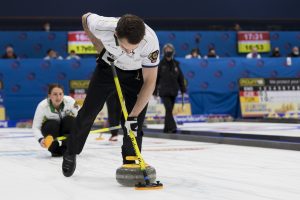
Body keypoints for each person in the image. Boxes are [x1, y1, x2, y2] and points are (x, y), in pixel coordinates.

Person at [62, 12, 160, 177]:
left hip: (136, 74)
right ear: (115, 34)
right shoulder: (103, 25)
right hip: (109, 66)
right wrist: (100, 49)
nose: (129, 52)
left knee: (135, 121)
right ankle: (71, 151)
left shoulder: (150, 42)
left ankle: (130, 161)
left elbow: (150, 81)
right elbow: (85, 17)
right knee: (89, 111)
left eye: (133, 49)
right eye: (124, 47)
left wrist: (133, 116)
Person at [32, 84, 80, 157]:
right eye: (55, 94)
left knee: (70, 120)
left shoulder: (70, 101)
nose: (58, 97)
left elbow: (81, 116)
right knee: (51, 124)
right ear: (49, 96)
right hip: (51, 132)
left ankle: (67, 148)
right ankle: (55, 149)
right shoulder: (42, 106)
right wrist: (41, 139)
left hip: (66, 131)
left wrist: (82, 131)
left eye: (60, 94)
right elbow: (36, 127)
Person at [154, 43, 186, 133]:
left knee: (169, 111)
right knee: (168, 109)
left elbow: (181, 78)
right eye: (167, 50)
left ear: (173, 51)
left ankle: (166, 128)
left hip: (173, 91)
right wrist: (154, 91)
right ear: (164, 51)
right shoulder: (160, 64)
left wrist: (183, 89)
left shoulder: (176, 64)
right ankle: (173, 127)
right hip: (164, 91)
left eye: (170, 50)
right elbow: (156, 79)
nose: (168, 51)